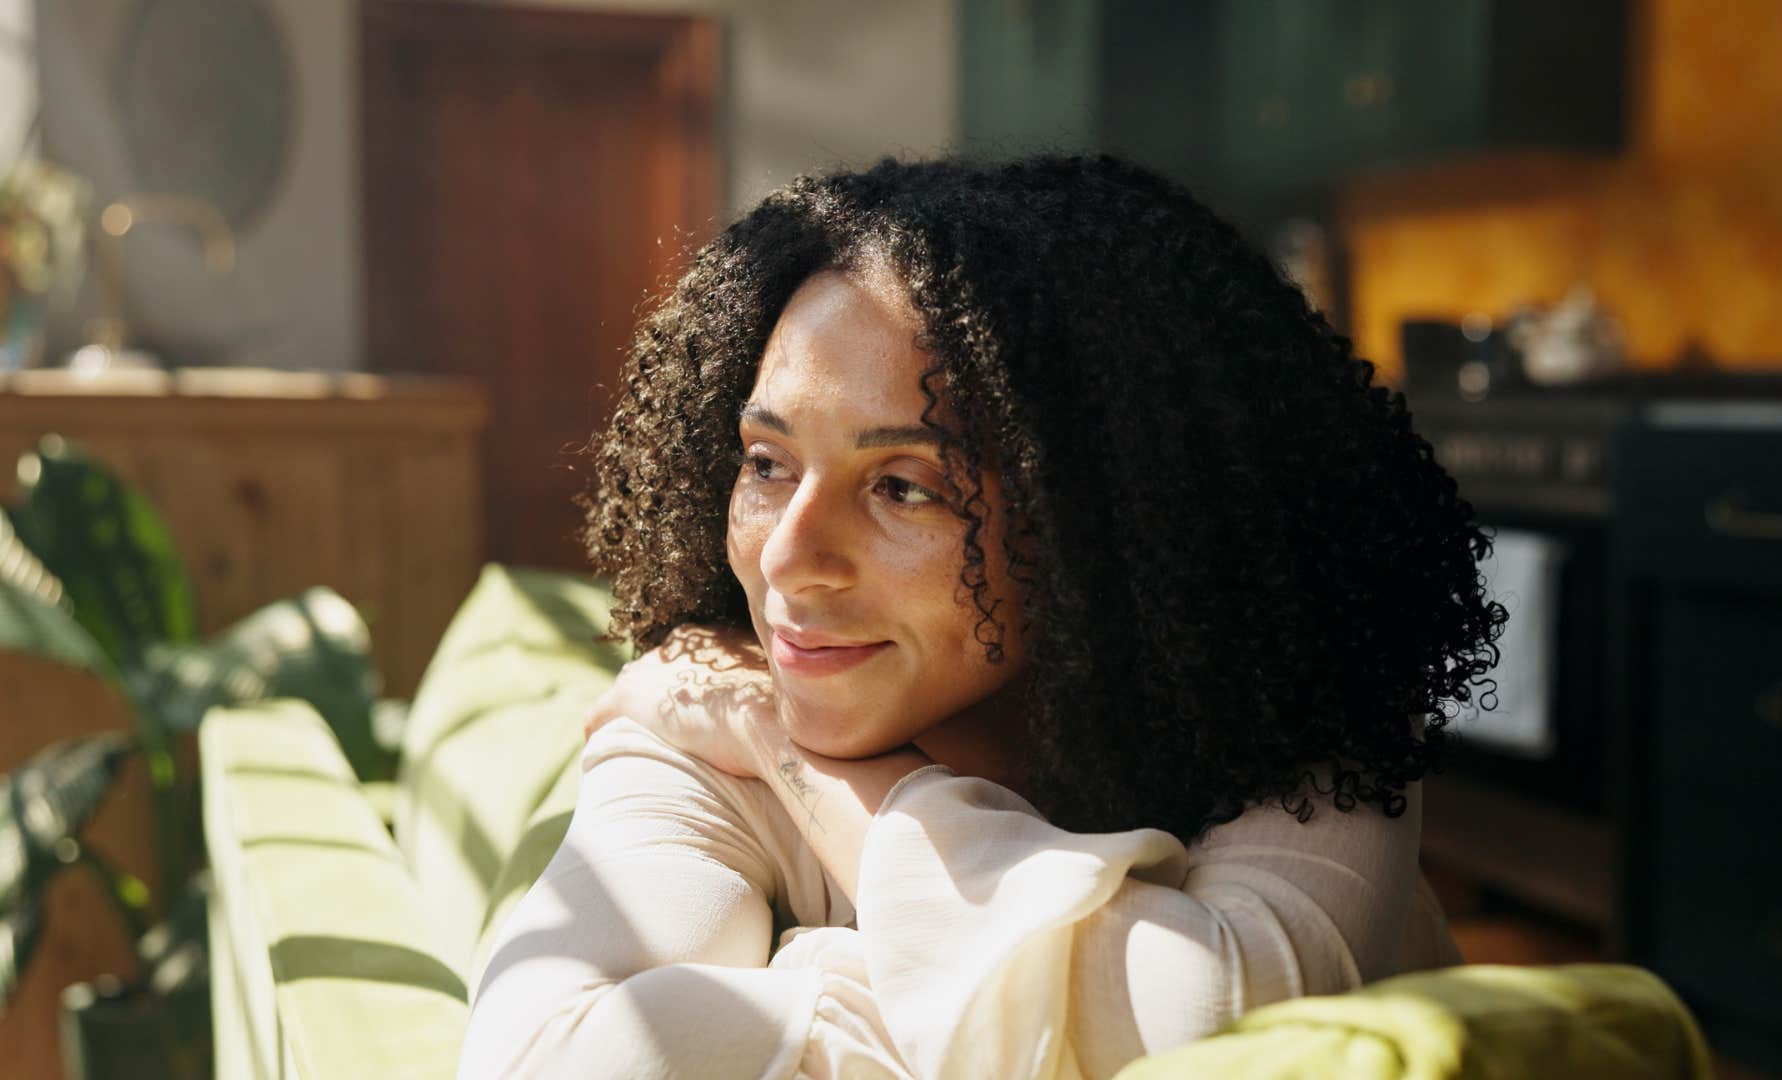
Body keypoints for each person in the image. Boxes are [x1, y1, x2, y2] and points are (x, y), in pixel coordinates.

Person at [458, 154, 1504, 1079]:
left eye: (903, 485)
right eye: (768, 464)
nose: (786, 559)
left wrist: (790, 760)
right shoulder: (696, 708)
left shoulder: (1303, 718)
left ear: (1102, 519)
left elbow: (1207, 1035)